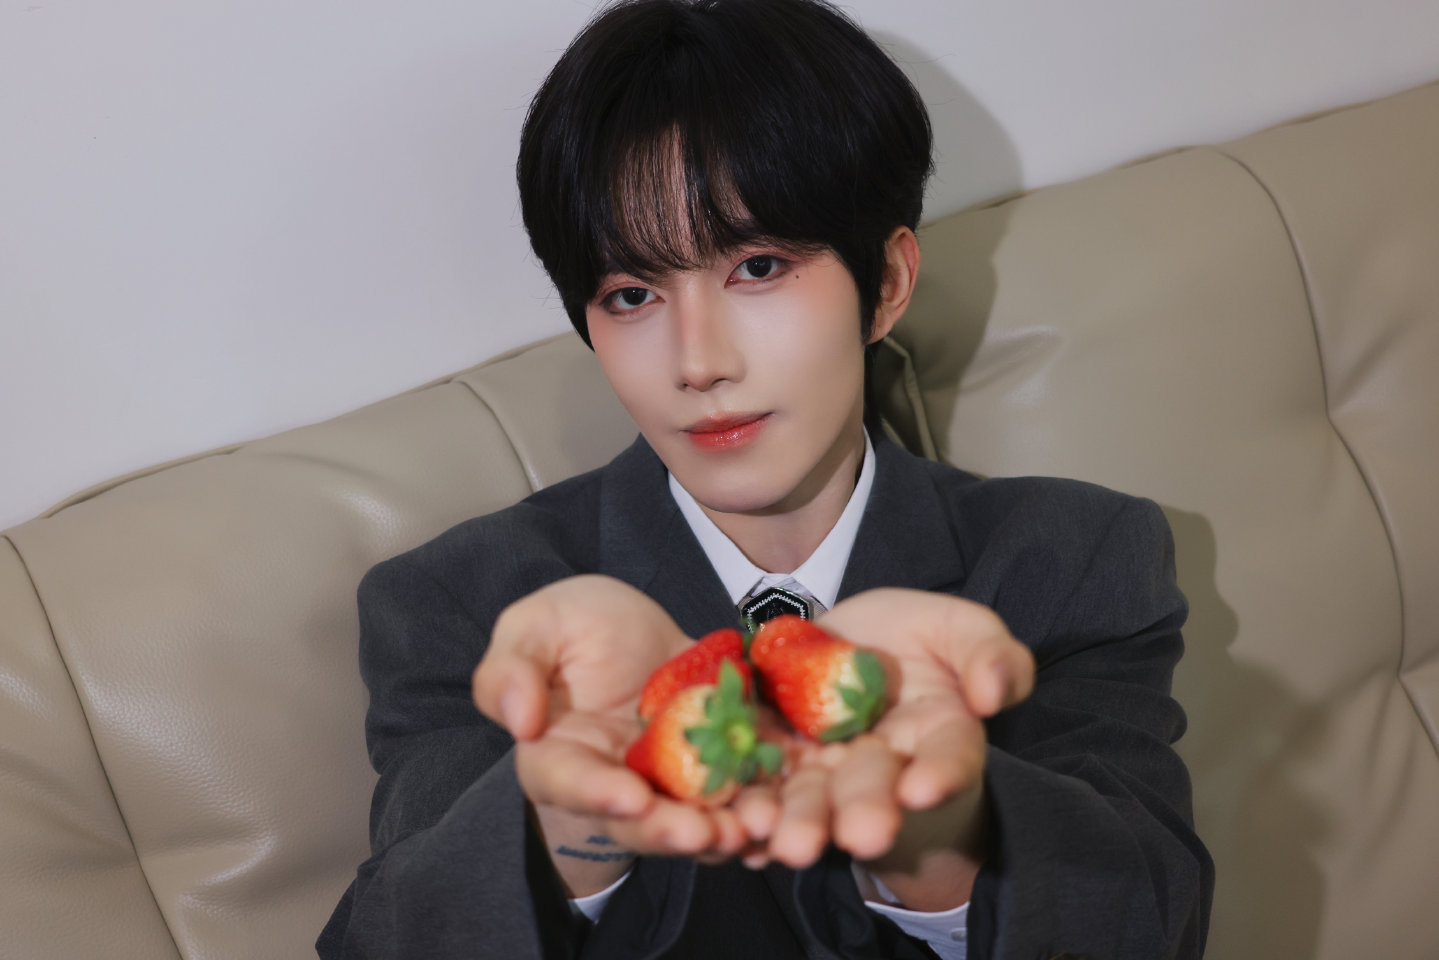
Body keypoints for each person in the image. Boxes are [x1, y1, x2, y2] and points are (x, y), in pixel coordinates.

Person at [317, 1, 1214, 957]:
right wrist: (570, 826)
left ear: (887, 283)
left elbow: (1149, 919)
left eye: (757, 267)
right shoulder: (463, 606)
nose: (698, 362)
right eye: (632, 294)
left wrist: (937, 839)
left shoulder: (1068, 559)